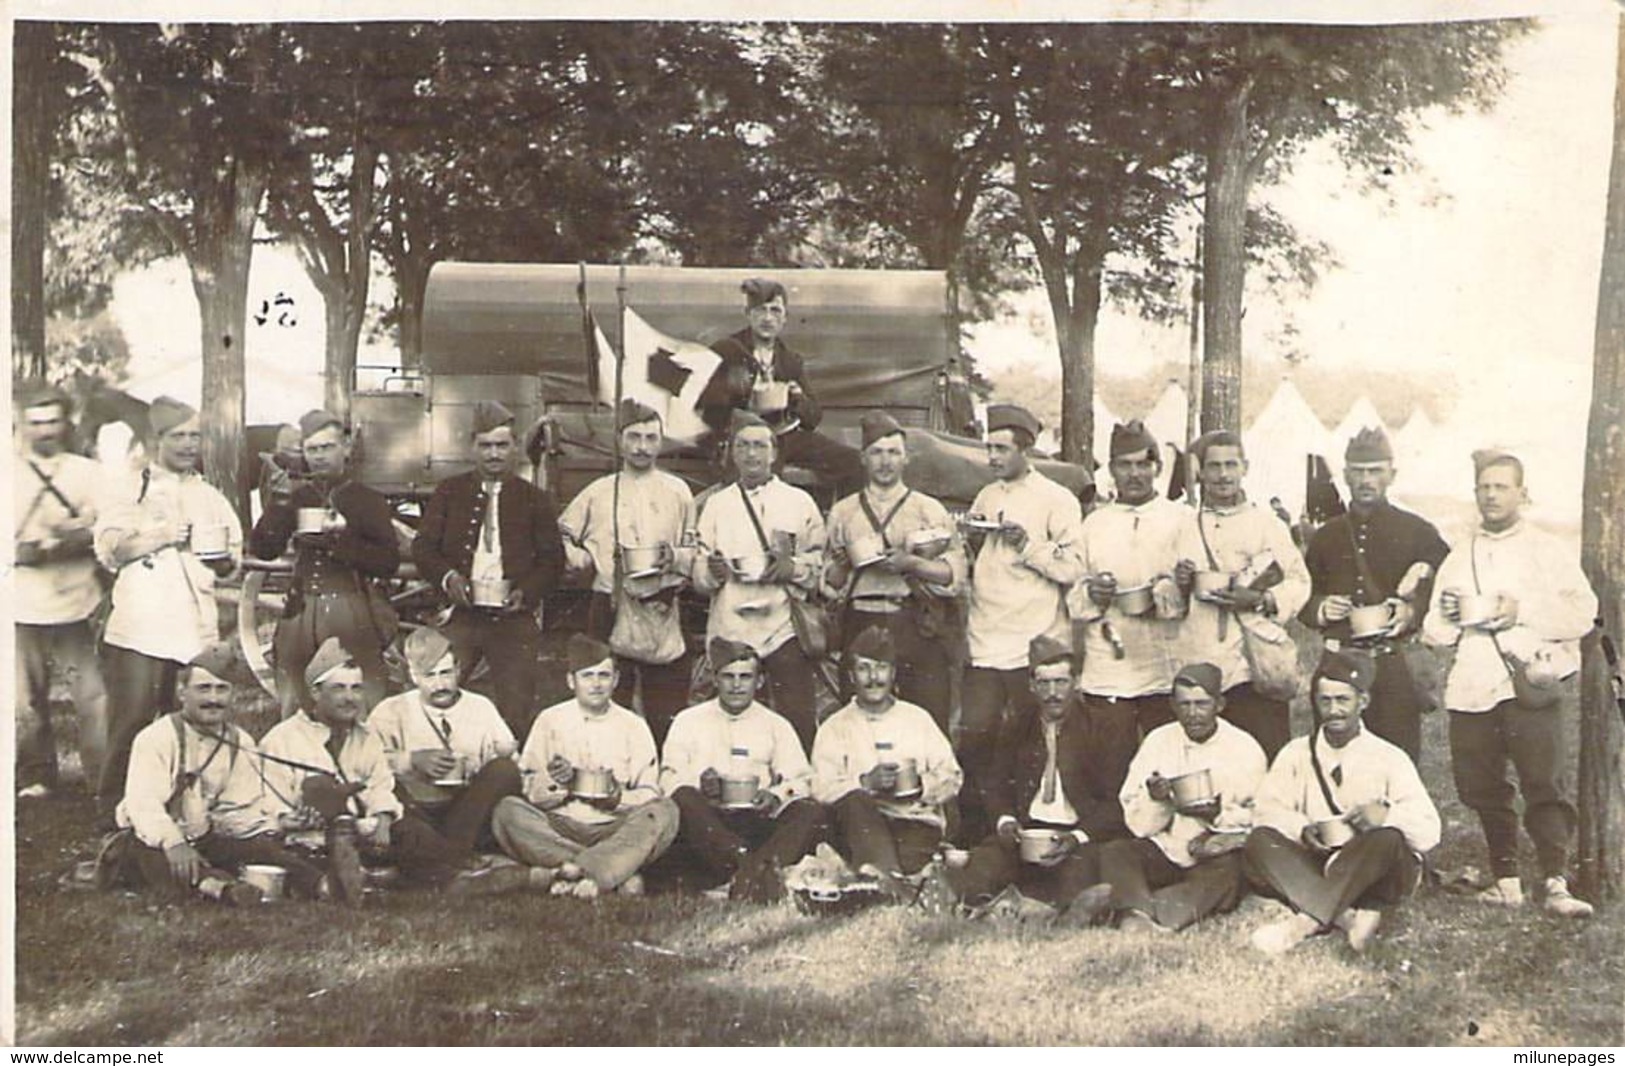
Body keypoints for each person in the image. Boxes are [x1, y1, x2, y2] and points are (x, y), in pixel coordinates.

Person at [1422, 449, 1597, 918]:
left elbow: (1584, 612)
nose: (1492, 495)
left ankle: (1556, 883)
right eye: (1485, 486)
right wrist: (1449, 613)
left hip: (1530, 678)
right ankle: (1506, 880)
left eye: (1502, 486)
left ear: (1522, 492)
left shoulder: (1546, 549)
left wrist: (1524, 612)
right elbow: (1434, 634)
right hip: (1474, 684)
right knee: (1480, 785)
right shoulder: (1462, 554)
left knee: (1543, 782)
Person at [95, 396, 241, 826]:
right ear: (155, 439)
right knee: (135, 720)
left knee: (193, 719)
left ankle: (185, 807)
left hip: (193, 629)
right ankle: (113, 814)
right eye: (178, 436)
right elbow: (110, 550)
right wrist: (159, 536)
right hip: (141, 626)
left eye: (195, 436)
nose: (188, 444)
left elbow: (232, 562)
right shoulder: (132, 488)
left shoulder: (210, 496)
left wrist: (221, 561)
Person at [259, 639, 504, 894]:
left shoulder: (365, 737)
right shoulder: (281, 740)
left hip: (367, 835)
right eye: (339, 689)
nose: (349, 698)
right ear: (316, 693)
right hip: (310, 838)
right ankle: (436, 877)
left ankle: (422, 876)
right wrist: (291, 819)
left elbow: (381, 786)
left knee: (411, 831)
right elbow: (267, 803)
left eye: (356, 689)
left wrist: (384, 818)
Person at [1244, 649, 1441, 955]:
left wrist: (1386, 815)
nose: (1334, 710)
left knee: (1387, 839)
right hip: (1320, 859)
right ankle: (1348, 919)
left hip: (1373, 866)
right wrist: (1301, 829)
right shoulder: (1296, 753)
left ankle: (1304, 923)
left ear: (1363, 702)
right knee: (1259, 841)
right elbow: (1266, 810)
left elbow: (1430, 832)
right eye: (1325, 701)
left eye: (1343, 700)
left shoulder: (1388, 756)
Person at [111, 642, 326, 905]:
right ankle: (218, 888)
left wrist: (279, 823)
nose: (213, 699)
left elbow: (238, 811)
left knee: (263, 849)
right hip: (151, 839)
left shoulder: (240, 741)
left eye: (221, 689)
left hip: (205, 837)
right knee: (155, 858)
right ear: (182, 692)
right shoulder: (156, 738)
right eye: (203, 689)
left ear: (232, 694)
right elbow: (143, 806)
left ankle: (323, 884)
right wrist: (174, 843)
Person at [960, 403, 1085, 840]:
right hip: (984, 637)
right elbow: (982, 561)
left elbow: (1073, 569)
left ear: (1025, 449)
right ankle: (979, 830)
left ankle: (1033, 824)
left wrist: (1029, 546)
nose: (992, 458)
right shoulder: (987, 496)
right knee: (976, 732)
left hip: (1032, 641)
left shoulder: (1056, 499)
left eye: (1001, 449)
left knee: (1024, 738)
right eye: (988, 448)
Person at [942, 635, 1127, 921]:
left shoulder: (1101, 727)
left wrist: (1077, 837)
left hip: (1075, 836)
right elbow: (997, 784)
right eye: (1044, 684)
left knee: (1077, 880)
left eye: (1061, 682)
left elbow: (1117, 802)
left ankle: (1042, 910)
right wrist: (1005, 821)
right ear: (1031, 686)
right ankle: (997, 904)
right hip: (1026, 833)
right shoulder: (1018, 725)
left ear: (1076, 682)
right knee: (984, 866)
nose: (1053, 693)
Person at [412, 399, 564, 736]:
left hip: (513, 621)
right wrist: (448, 578)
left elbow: (553, 561)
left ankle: (507, 775)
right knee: (437, 695)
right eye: (485, 446)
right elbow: (422, 547)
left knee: (515, 708)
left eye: (501, 445)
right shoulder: (449, 492)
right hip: (462, 616)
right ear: (472, 447)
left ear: (514, 448)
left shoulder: (534, 499)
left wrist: (526, 594)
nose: (494, 454)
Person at [1300, 426, 1450, 761]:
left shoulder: (1417, 531)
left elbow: (1445, 582)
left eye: (1375, 471)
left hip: (1392, 665)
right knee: (1332, 758)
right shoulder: (1327, 536)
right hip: (1338, 663)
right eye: (1358, 471)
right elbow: (1301, 597)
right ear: (1345, 475)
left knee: (1397, 760)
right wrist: (1322, 608)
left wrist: (1412, 609)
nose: (1366, 480)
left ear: (1391, 475)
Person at [491, 635, 680, 897]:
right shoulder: (550, 720)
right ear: (571, 681)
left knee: (665, 812)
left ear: (615, 680)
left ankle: (570, 872)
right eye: (587, 676)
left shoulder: (633, 725)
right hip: (560, 825)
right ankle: (616, 873)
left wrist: (617, 798)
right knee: (506, 812)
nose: (596, 684)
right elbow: (529, 788)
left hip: (615, 827)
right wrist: (561, 785)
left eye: (604, 675)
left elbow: (650, 792)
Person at [558, 399, 694, 745]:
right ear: (619, 440)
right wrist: (576, 555)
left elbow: (696, 548)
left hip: (660, 607)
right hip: (609, 607)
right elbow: (562, 532)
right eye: (634, 437)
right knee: (606, 710)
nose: (642, 447)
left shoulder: (678, 491)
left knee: (665, 713)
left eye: (651, 438)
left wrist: (674, 557)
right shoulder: (600, 491)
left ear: (661, 442)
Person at [1095, 662, 1267, 932]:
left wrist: (1218, 818)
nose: (1193, 714)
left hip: (1214, 851)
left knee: (1230, 874)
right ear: (1173, 706)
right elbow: (1136, 822)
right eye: (1184, 705)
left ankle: (1147, 912)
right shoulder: (1158, 741)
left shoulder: (1244, 747)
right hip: (1167, 847)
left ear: (1220, 705)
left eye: (1202, 704)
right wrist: (1157, 800)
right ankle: (1139, 914)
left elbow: (1261, 815)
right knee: (1116, 852)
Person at [1066, 420, 1191, 790]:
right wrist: (1094, 593)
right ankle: (1109, 844)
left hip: (1166, 662)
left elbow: (1198, 586)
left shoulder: (1182, 519)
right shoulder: (1093, 524)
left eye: (1143, 464)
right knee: (1111, 771)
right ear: (1112, 470)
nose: (1134, 474)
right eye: (1125, 464)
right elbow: (1072, 595)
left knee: (1166, 769)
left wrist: (1175, 586)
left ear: (1157, 468)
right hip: (1111, 666)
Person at [692, 410, 828, 748]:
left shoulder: (799, 502)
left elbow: (821, 562)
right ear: (733, 454)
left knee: (797, 717)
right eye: (743, 446)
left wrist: (793, 568)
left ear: (773, 453)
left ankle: (800, 788)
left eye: (759, 446)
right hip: (731, 624)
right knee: (727, 721)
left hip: (782, 625)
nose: (752, 454)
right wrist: (712, 572)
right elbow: (697, 567)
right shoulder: (715, 505)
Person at [823, 411, 966, 732]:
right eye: (876, 452)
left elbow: (954, 575)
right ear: (863, 458)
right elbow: (828, 583)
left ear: (906, 459)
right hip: (861, 621)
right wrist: (846, 561)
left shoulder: (928, 509)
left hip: (915, 622)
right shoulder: (844, 512)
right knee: (860, 722)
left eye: (893, 452)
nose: (885, 461)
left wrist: (912, 563)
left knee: (927, 720)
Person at [251, 409, 399, 717]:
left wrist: (338, 545)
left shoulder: (367, 499)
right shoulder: (297, 496)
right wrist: (278, 502)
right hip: (300, 609)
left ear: (345, 448)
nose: (319, 456)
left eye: (327, 447)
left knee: (358, 698)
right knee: (294, 698)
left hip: (349, 607)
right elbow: (264, 549)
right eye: (312, 449)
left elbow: (387, 562)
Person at [659, 637, 828, 901]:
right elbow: (669, 778)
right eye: (728, 677)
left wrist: (776, 795)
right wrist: (698, 784)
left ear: (759, 681)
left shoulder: (775, 724)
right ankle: (756, 872)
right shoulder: (688, 721)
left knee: (810, 810)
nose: (737, 685)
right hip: (710, 825)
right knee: (684, 798)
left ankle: (745, 875)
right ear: (715, 679)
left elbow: (802, 779)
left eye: (745, 677)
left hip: (757, 821)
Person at [1176, 430, 1311, 760]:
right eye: (1214, 466)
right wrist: (1178, 583)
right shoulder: (1183, 525)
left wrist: (1260, 600)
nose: (1223, 475)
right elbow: (1164, 593)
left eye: (1231, 465)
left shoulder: (1267, 524)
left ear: (1245, 468)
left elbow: (1299, 582)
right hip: (1201, 659)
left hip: (1255, 667)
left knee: (1264, 759)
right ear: (1201, 472)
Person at [811, 626, 963, 891]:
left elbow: (952, 775)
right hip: (861, 828)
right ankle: (893, 882)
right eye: (863, 668)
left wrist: (919, 784)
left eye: (881, 668)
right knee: (856, 803)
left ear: (893, 673)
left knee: (907, 854)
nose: (873, 678)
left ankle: (882, 877)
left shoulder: (917, 719)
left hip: (912, 823)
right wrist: (865, 783)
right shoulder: (835, 726)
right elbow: (820, 787)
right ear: (850, 675)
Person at [14, 381, 108, 800]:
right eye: (36, 423)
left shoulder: (87, 472)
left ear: (65, 424)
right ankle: (37, 776)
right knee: (24, 699)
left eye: (52, 421)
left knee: (92, 696)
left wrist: (78, 537)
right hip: (18, 604)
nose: (45, 431)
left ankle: (102, 777)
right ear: (20, 423)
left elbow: (110, 527)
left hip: (77, 602)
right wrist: (26, 550)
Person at [366, 626, 523, 862]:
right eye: (430, 676)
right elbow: (362, 762)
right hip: (414, 809)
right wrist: (412, 760)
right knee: (396, 814)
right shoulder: (391, 711)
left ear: (459, 670)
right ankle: (456, 856)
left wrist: (479, 766)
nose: (440, 685)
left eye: (446, 673)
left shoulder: (480, 707)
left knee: (504, 770)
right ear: (413, 676)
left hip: (465, 811)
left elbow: (509, 761)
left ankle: (442, 854)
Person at [697, 276, 863, 495]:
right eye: (760, 310)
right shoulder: (727, 350)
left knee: (855, 463)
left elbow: (814, 418)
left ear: (785, 317)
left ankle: (838, 521)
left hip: (784, 436)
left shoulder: (790, 360)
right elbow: (706, 412)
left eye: (775, 311)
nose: (768, 318)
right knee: (761, 483)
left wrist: (797, 398)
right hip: (744, 438)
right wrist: (736, 393)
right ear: (748, 314)